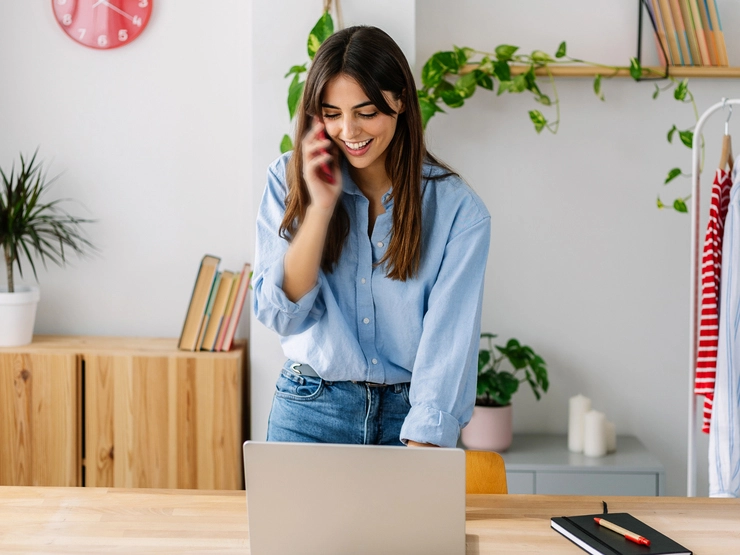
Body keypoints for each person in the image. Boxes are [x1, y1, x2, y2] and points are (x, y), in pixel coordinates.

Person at [253, 25, 490, 448]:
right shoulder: (285, 180)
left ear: (400, 101)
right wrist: (320, 207)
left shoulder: (458, 211)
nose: (349, 130)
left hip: (409, 419)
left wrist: (423, 449)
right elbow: (281, 315)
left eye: (366, 112)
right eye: (331, 113)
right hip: (309, 412)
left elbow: (448, 349)